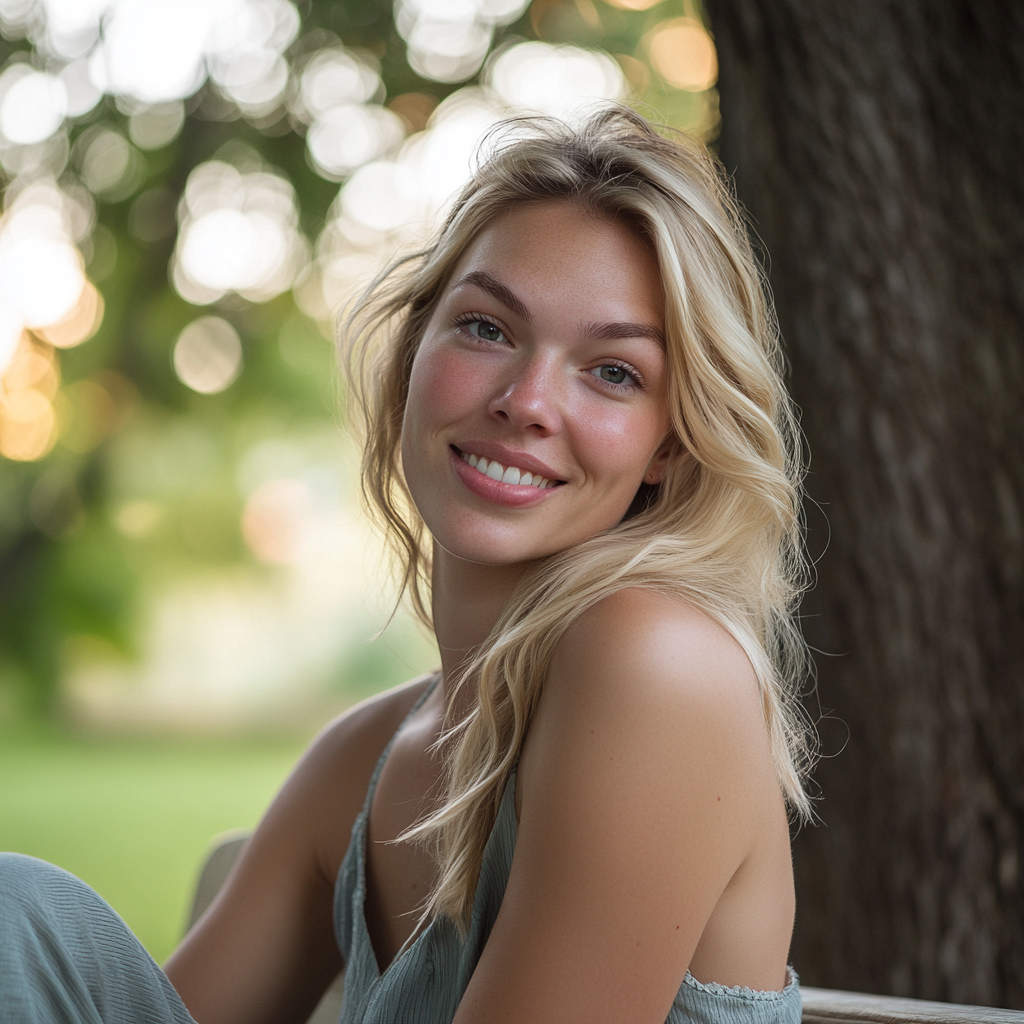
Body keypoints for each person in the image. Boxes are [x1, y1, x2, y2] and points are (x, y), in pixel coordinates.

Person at [0, 107, 813, 1024]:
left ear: (671, 446)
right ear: (415, 351)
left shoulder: (659, 669)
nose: (527, 402)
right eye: (487, 329)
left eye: (614, 372)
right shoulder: (365, 761)